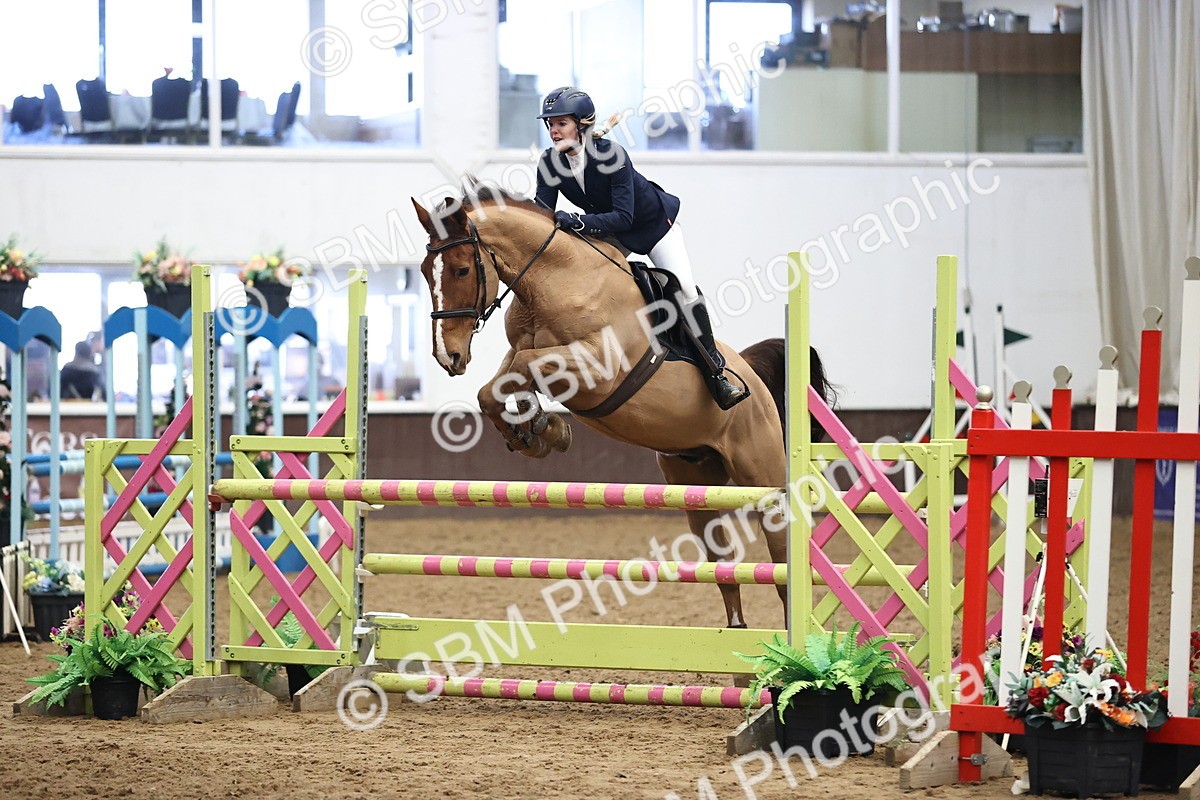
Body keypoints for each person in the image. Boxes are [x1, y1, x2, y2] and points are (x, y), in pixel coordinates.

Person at [533, 86, 747, 410]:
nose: (553, 130)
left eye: (560, 123)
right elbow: (542, 214)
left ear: (582, 124)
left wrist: (577, 222)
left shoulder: (612, 155)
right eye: (550, 123)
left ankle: (716, 374)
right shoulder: (550, 163)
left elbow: (624, 216)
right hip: (608, 230)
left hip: (652, 226)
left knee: (685, 290)